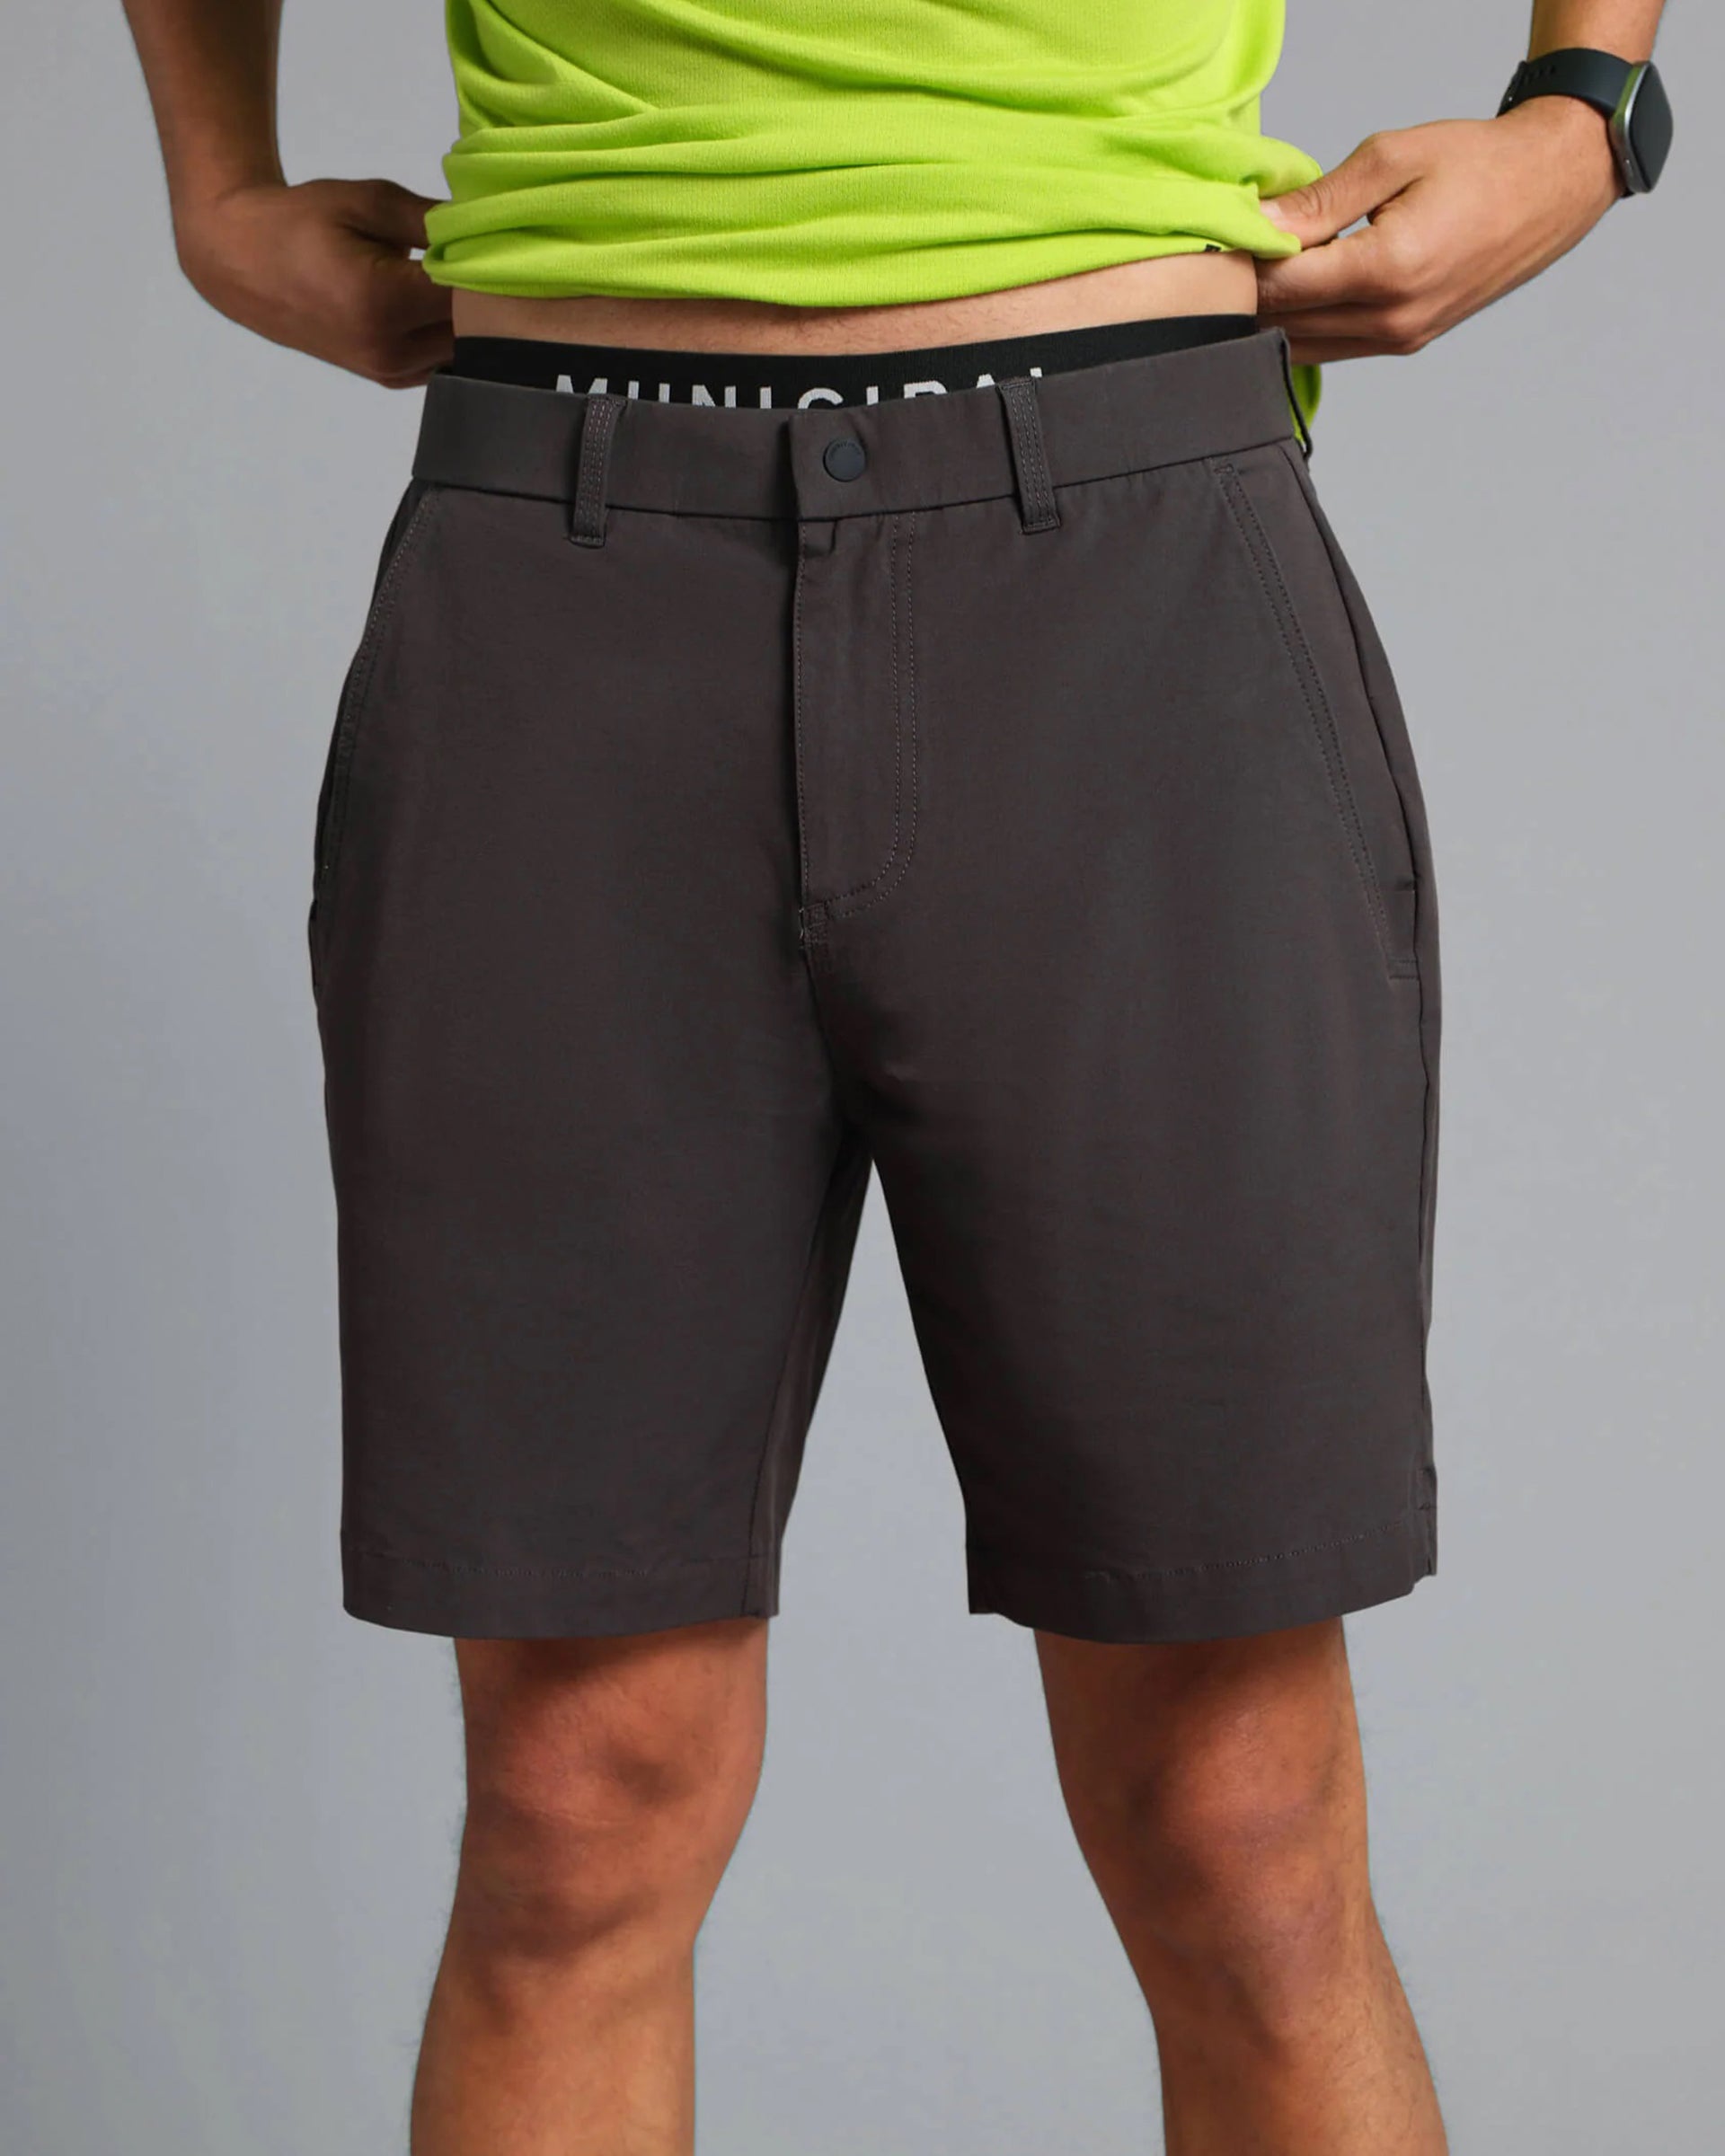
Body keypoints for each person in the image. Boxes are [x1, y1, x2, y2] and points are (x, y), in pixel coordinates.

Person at [119, 2, 1671, 2149]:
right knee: (576, 1804)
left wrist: (1588, 110)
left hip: (1132, 553)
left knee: (1238, 1821)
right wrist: (214, 184)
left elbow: (1585, 105)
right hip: (567, 571)